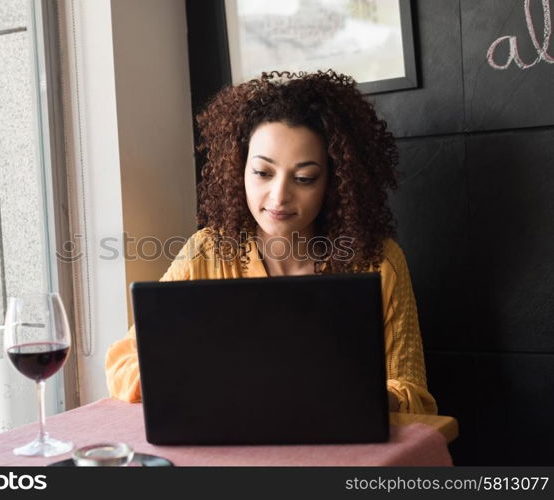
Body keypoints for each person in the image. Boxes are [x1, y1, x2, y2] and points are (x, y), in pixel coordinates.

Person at [105, 70, 438, 415]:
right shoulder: (206, 251)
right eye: (263, 173)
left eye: (304, 178)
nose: (279, 196)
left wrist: (349, 397)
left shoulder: (377, 261)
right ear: (238, 169)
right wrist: (192, 379)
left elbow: (410, 393)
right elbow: (124, 361)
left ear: (335, 182)